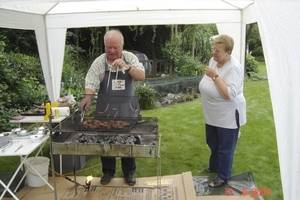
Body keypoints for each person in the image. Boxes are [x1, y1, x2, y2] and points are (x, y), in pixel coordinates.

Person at [79, 29, 145, 186]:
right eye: (109, 47)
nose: (112, 51)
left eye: (115, 47)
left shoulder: (130, 58)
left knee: (127, 140)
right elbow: (91, 81)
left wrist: (127, 67)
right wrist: (87, 97)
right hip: (105, 109)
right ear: (104, 47)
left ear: (122, 46)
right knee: (105, 140)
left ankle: (129, 172)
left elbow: (141, 76)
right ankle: (108, 171)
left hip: (127, 108)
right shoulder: (99, 62)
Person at [198, 34, 246, 188]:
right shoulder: (214, 60)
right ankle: (214, 167)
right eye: (213, 49)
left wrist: (215, 76)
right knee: (212, 143)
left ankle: (223, 176)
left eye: (218, 50)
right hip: (212, 114)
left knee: (225, 148)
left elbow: (229, 94)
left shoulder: (234, 68)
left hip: (228, 115)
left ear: (229, 52)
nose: (213, 53)